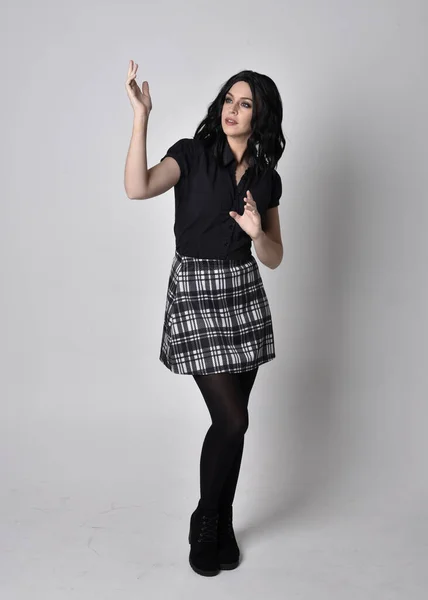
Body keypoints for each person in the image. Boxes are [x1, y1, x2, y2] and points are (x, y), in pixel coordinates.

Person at [124, 61, 285, 577]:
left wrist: (258, 231)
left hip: (243, 295)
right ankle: (206, 516)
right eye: (228, 100)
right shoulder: (191, 156)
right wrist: (141, 118)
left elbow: (276, 255)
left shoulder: (267, 178)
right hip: (195, 292)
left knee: (230, 426)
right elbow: (138, 187)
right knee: (233, 419)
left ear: (260, 118)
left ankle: (220, 517)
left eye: (245, 104)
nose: (232, 110)